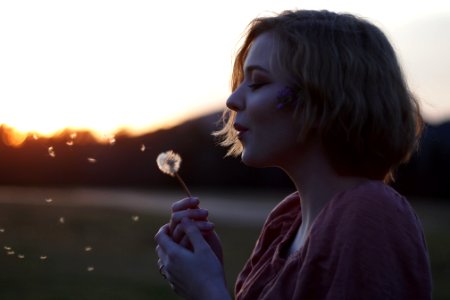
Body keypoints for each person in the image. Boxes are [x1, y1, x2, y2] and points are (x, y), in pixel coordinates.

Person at [155, 9, 432, 300]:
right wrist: (207, 271)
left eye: (258, 82)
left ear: (325, 96)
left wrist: (207, 292)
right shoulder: (285, 221)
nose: (233, 100)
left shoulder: (371, 214)